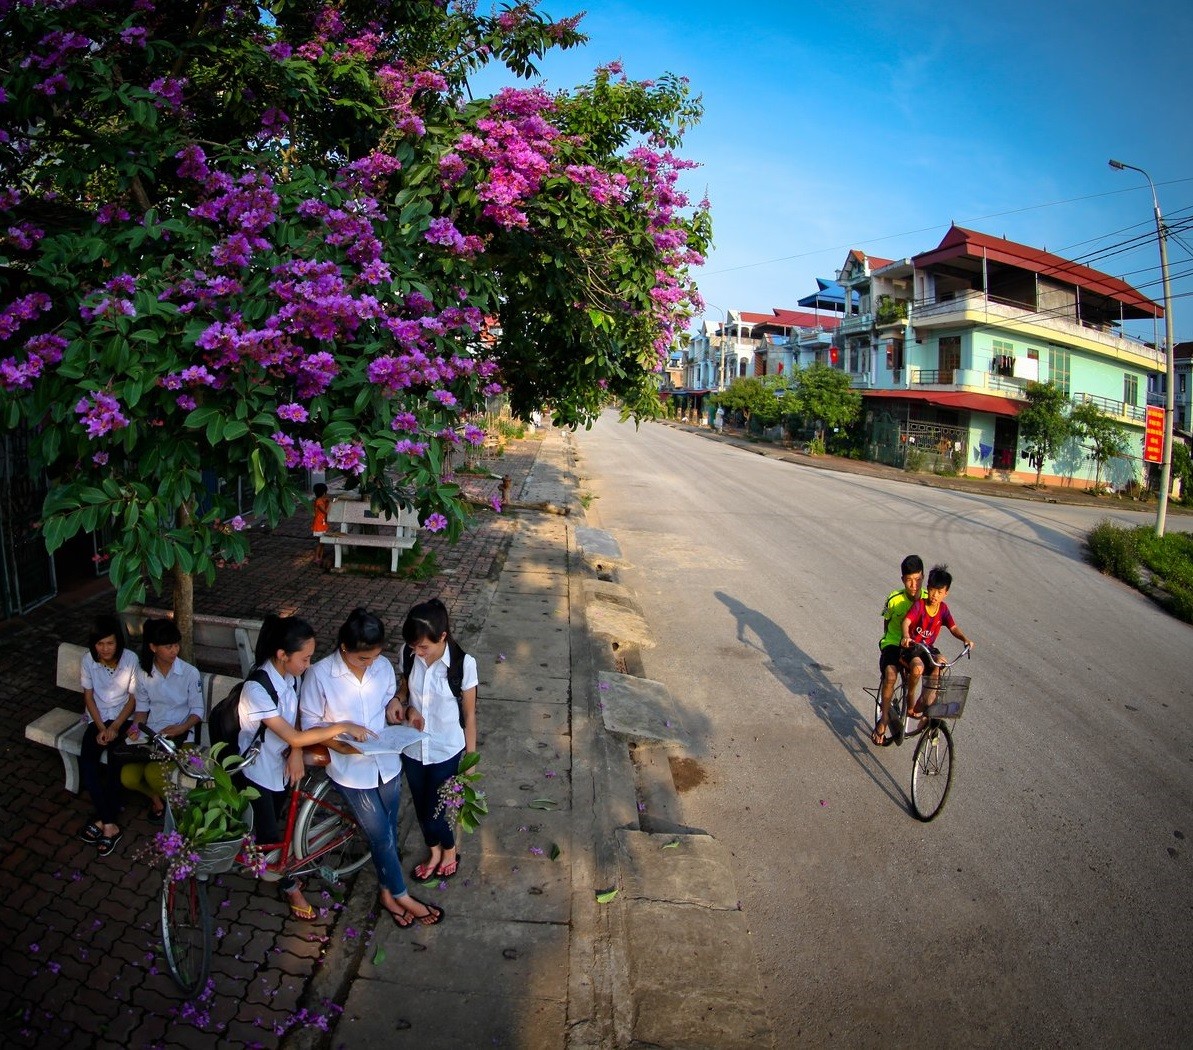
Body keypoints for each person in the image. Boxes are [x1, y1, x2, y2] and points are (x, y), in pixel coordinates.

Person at [301, 608, 444, 928]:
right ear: (344, 649)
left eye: (374, 657)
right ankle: (401, 893)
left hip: (387, 761)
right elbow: (310, 724)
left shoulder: (381, 667)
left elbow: (388, 704)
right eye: (362, 659)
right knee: (380, 835)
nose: (370, 663)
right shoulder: (321, 674)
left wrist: (399, 707)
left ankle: (385, 894)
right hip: (351, 768)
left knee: (389, 831)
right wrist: (342, 740)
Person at [238, 614, 373, 921]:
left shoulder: (291, 676)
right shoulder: (256, 689)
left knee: (281, 819)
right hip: (257, 769)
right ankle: (289, 886)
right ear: (282, 655)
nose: (309, 666)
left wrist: (295, 751)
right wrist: (341, 726)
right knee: (270, 836)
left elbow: (295, 723)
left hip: (282, 761)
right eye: (305, 658)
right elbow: (292, 733)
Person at [398, 598, 477, 887]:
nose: (417, 652)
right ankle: (434, 852)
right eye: (413, 646)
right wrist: (402, 704)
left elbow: (469, 714)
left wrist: (471, 760)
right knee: (421, 807)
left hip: (446, 749)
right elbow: (405, 689)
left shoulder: (463, 665)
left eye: (424, 647)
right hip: (413, 747)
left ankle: (450, 850)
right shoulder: (407, 655)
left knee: (436, 812)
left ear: (442, 637)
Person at [122, 618, 203, 820]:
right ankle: (156, 798)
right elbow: (141, 710)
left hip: (182, 737)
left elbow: (198, 711)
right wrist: (134, 727)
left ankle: (181, 813)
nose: (174, 650)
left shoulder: (189, 673)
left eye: (176, 645)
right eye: (168, 647)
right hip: (154, 736)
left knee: (153, 773)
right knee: (128, 778)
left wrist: (181, 727)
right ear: (153, 647)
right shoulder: (144, 675)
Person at [77, 614, 139, 856]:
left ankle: (103, 822)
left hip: (124, 719)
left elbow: (133, 699)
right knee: (88, 764)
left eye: (110, 643)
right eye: (100, 644)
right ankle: (109, 822)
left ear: (118, 642)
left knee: (116, 762)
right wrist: (102, 728)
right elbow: (89, 697)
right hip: (98, 719)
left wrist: (115, 728)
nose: (104, 649)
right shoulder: (87, 660)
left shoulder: (130, 659)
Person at [900, 564, 975, 723]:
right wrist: (906, 636)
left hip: (928, 649)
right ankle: (910, 696)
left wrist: (965, 639)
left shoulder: (943, 609)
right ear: (928, 588)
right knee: (918, 668)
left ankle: (924, 702)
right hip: (912, 648)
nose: (935, 595)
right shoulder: (919, 605)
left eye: (939, 592)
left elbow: (953, 628)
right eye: (932, 590)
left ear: (946, 593)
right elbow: (906, 622)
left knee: (941, 663)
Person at [872, 554, 924, 746]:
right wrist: (890, 644)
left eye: (918, 580)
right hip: (893, 643)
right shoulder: (893, 599)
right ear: (903, 580)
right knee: (891, 675)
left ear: (923, 577)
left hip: (916, 647)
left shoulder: (928, 598)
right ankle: (884, 718)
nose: (914, 585)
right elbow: (886, 624)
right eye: (909, 580)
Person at [311, 482, 331, 567]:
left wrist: (326, 501)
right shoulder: (319, 501)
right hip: (319, 524)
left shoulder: (321, 500)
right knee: (320, 542)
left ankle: (320, 557)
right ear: (323, 493)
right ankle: (316, 557)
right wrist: (330, 503)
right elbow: (325, 511)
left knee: (322, 542)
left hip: (322, 523)